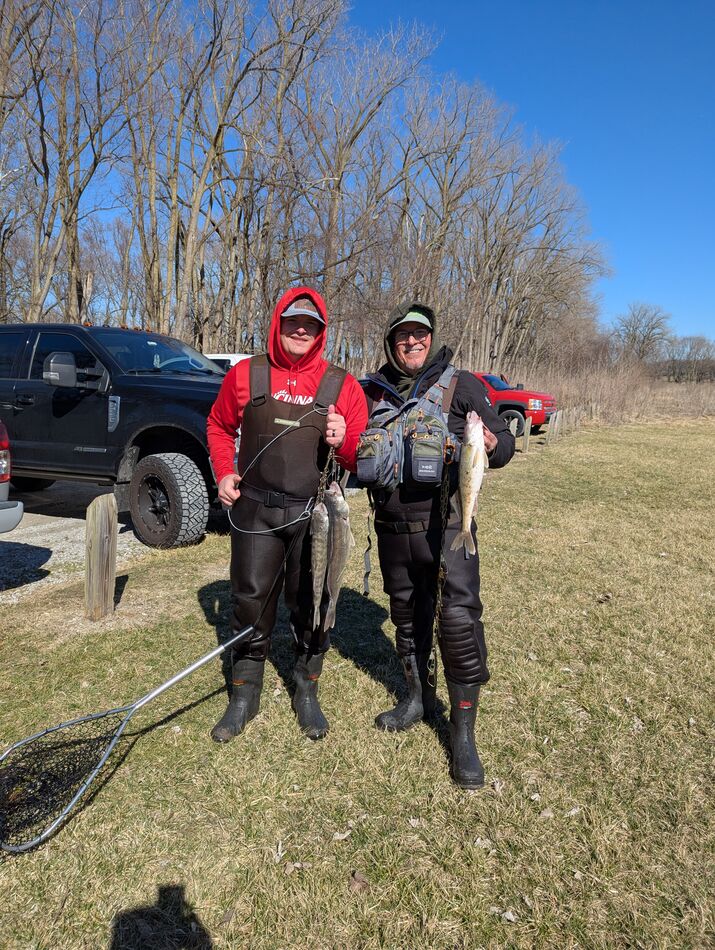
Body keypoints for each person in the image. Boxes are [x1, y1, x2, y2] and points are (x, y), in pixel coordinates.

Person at [359, 301, 515, 788]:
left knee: (458, 622)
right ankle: (415, 698)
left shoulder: (461, 385)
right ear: (391, 341)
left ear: (431, 339)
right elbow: (348, 451)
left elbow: (507, 443)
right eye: (403, 335)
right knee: (406, 617)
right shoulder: (370, 392)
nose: (412, 342)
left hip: (449, 527)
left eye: (420, 335)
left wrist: (492, 443)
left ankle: (462, 732)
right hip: (392, 529)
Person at [207, 287, 368, 742]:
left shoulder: (341, 384)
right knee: (249, 600)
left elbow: (360, 457)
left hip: (314, 515)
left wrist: (345, 440)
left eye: (311, 324)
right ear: (278, 322)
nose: (301, 329)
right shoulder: (246, 374)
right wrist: (223, 472)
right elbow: (219, 426)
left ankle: (306, 687)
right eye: (293, 321)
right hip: (254, 510)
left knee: (312, 603)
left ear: (321, 332)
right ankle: (244, 693)